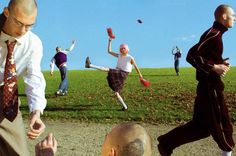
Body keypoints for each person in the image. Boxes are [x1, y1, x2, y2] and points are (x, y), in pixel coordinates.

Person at [157, 4, 235, 156]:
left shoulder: (216, 34)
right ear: (224, 17)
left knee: (201, 128)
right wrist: (214, 67)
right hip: (210, 88)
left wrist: (220, 63)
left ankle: (166, 144)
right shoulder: (213, 34)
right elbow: (191, 56)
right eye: (233, 15)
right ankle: (227, 150)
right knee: (223, 124)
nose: (235, 18)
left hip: (207, 87)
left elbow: (203, 56)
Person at [0, 0, 47, 155]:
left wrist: (36, 113)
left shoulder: (33, 43)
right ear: (7, 12)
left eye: (29, 25)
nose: (22, 30)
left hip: (6, 99)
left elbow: (34, 78)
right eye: (18, 23)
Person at [85, 38, 143, 111]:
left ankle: (90, 65)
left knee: (107, 69)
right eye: (121, 48)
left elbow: (136, 67)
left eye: (124, 48)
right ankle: (125, 107)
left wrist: (140, 75)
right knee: (116, 93)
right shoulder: (119, 55)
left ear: (127, 50)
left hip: (123, 74)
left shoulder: (130, 58)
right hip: (118, 72)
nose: (122, 49)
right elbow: (109, 51)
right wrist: (110, 41)